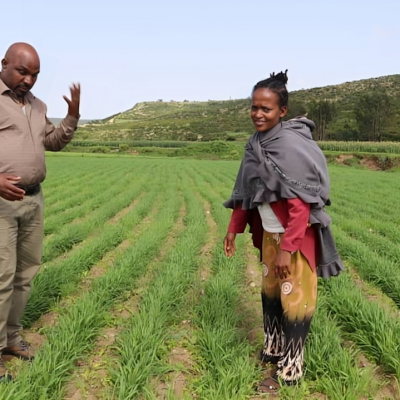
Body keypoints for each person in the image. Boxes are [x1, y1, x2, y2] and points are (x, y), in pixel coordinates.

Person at [223, 71, 343, 393]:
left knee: (295, 298)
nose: (258, 114)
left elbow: (301, 207)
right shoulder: (254, 145)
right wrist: (233, 229)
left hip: (295, 240)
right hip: (269, 237)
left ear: (282, 112)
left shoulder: (289, 148)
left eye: (266, 109)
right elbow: (246, 192)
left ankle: (292, 364)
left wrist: (289, 249)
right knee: (272, 294)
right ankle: (274, 346)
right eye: (254, 107)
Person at [0, 42, 80, 382]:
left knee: (25, 274)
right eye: (22, 72)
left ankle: (11, 339)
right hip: (2, 204)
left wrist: (72, 116)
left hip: (34, 200)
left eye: (34, 75)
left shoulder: (37, 106)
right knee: (1, 278)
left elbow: (53, 141)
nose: (29, 80)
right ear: (4, 64)